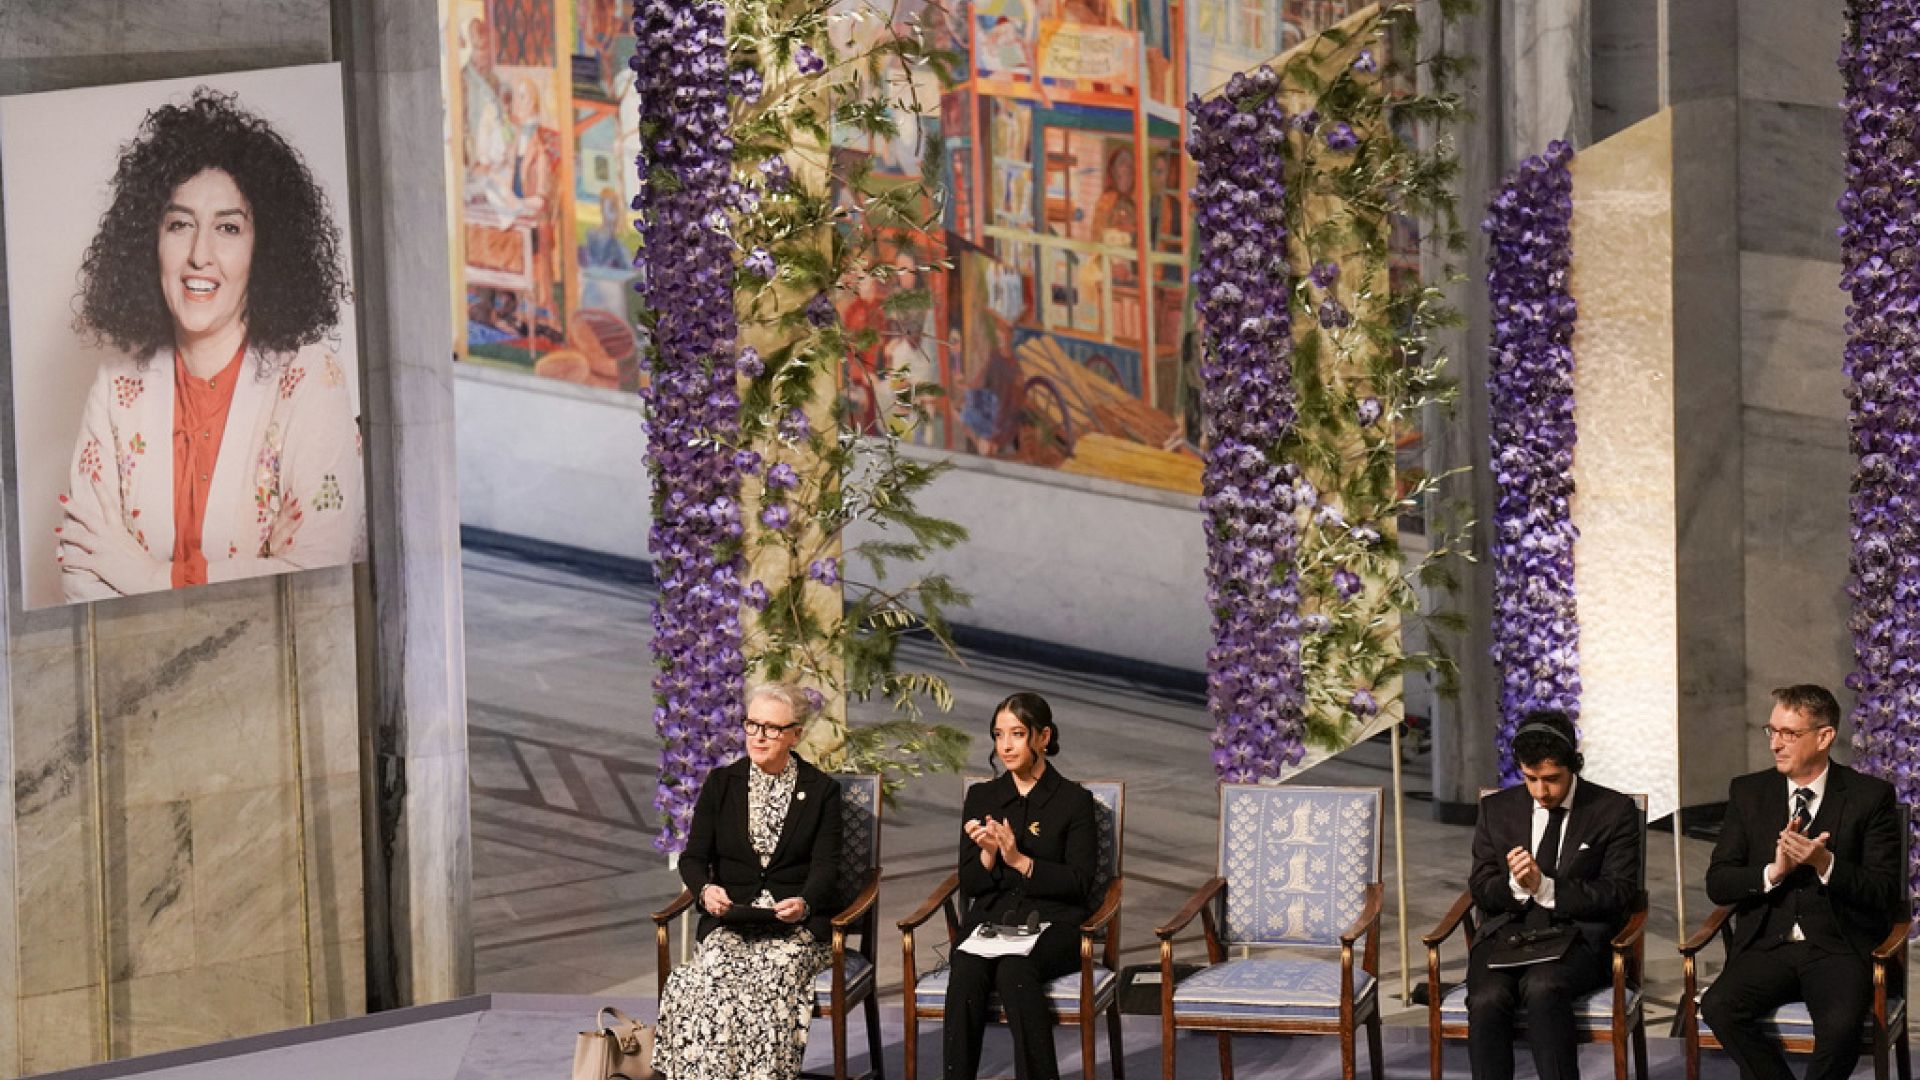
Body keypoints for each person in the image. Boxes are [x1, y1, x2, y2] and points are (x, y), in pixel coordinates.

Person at [59, 88, 361, 601]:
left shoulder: (312, 378)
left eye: (228, 228)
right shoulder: (115, 388)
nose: (200, 254)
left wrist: (155, 578)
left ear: (262, 248)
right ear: (148, 243)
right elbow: (80, 575)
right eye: (179, 225)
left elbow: (318, 574)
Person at [1699, 684, 1903, 1080]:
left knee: (1841, 1025)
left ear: (1824, 736)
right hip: (1767, 945)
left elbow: (1882, 891)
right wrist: (1773, 873)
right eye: (1771, 731)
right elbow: (1718, 883)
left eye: (1788, 734)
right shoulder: (1748, 792)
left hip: (1838, 947)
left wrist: (1825, 862)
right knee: (1719, 1007)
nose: (1775, 744)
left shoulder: (1869, 797)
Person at [652, 683, 844, 1080]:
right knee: (700, 981)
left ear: (796, 734)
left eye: (771, 728)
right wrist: (705, 891)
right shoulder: (722, 784)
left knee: (768, 981)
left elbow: (827, 869)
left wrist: (804, 903)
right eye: (752, 724)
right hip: (731, 924)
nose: (758, 735)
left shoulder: (822, 791)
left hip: (794, 930)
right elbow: (693, 858)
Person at [1466, 710, 1641, 1080]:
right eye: (1531, 779)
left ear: (1573, 766)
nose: (1541, 792)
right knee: (1487, 998)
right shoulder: (1496, 810)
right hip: (1505, 935)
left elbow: (1619, 892)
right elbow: (1481, 888)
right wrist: (1515, 884)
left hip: (1577, 938)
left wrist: (1545, 888)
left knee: (1543, 987)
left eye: (1552, 780)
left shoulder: (1612, 811)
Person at [944, 692, 1097, 1080]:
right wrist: (988, 855)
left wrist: (1020, 861)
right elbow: (970, 882)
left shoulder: (1074, 801)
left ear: (1043, 737)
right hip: (992, 921)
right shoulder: (983, 796)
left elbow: (1080, 883)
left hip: (1054, 922)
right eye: (999, 735)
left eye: (1016, 733)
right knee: (964, 967)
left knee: (1015, 968)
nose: (1006, 745)